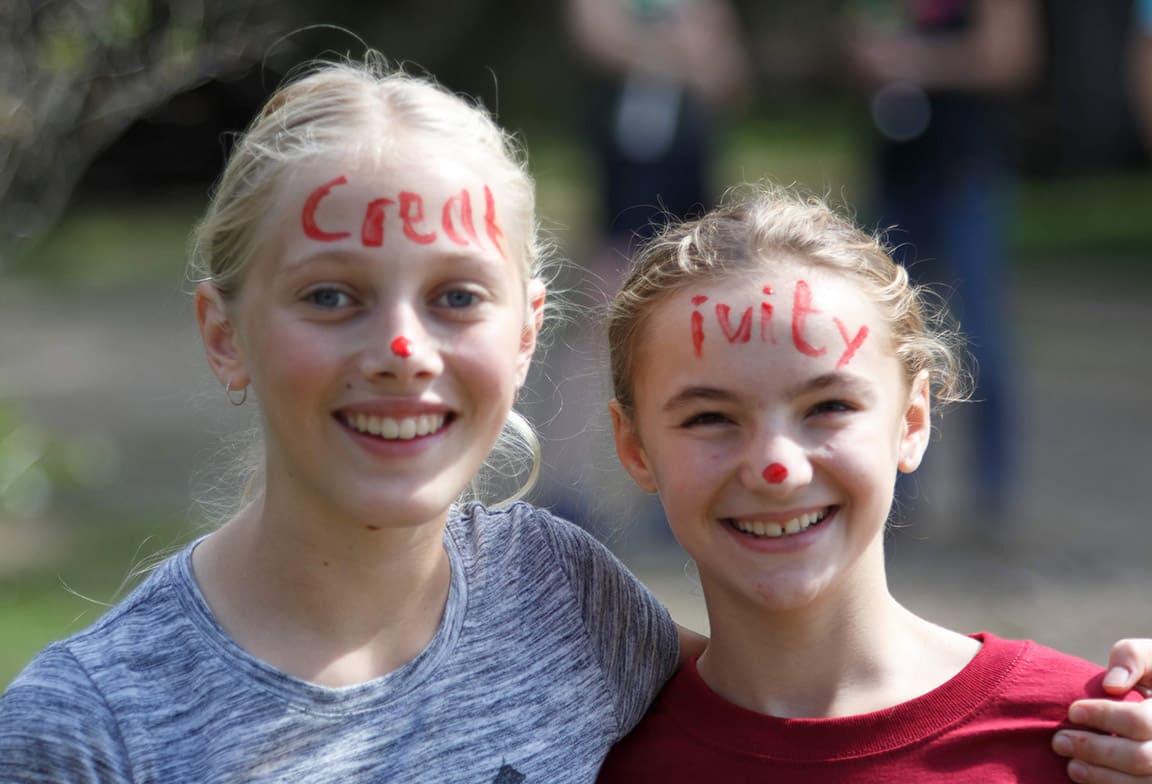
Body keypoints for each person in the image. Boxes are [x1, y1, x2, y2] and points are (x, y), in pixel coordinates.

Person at [0, 55, 1148, 783]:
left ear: (523, 329)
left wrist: (1104, 711)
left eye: (455, 295)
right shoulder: (84, 730)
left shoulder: (558, 593)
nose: (402, 348)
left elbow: (809, 707)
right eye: (330, 295)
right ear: (221, 332)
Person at [598, 184, 1151, 782]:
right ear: (635, 447)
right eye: (710, 418)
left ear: (913, 420)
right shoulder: (581, 753)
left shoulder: (1093, 741)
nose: (776, 468)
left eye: (828, 406)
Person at [842, 0, 1042, 533]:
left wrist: (916, 60)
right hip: (895, 173)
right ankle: (894, 495)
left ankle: (992, 495)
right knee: (884, 337)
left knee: (979, 333)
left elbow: (1009, 56)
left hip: (965, 170)